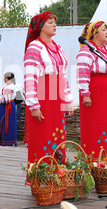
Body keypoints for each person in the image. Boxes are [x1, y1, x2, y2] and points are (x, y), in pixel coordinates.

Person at [24, 11, 74, 169]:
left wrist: (67, 101)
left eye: (55, 21)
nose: (54, 25)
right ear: (40, 27)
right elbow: (29, 77)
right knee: (42, 136)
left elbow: (63, 75)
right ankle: (43, 178)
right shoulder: (34, 47)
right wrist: (33, 105)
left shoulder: (57, 47)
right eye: (50, 22)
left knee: (58, 136)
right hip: (43, 97)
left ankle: (58, 174)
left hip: (57, 96)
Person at [76, 20, 107, 166]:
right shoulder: (86, 51)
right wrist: (85, 94)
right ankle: (94, 163)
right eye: (103, 30)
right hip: (95, 95)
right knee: (95, 127)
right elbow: (82, 73)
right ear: (94, 33)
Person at [0, 72, 17, 147]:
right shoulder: (11, 86)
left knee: (7, 123)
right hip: (9, 106)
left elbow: (6, 99)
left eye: (5, 77)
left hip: (7, 106)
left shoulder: (9, 87)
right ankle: (8, 141)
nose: (4, 79)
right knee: (8, 123)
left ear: (8, 78)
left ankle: (7, 141)